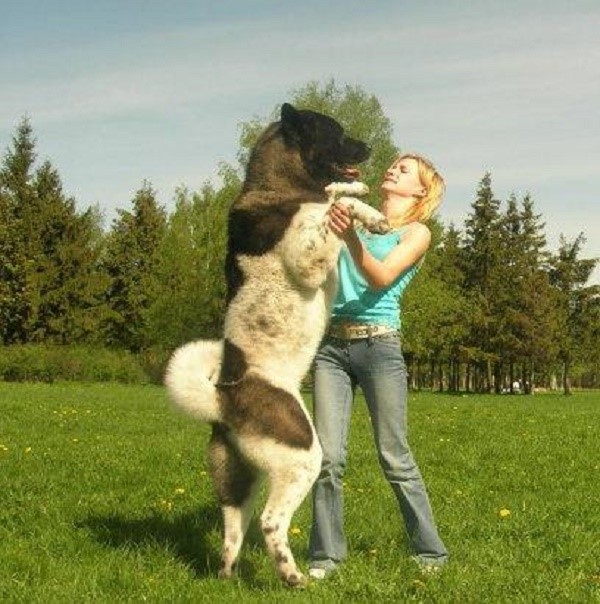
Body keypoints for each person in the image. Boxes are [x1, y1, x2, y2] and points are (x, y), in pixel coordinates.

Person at [308, 153, 449, 579]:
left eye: (404, 170)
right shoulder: (350, 216)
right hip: (331, 347)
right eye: (393, 165)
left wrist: (350, 237)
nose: (392, 169)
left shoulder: (416, 232)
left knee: (394, 456)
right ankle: (325, 556)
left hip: (379, 346)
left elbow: (382, 277)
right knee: (327, 458)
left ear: (421, 191)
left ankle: (430, 553)